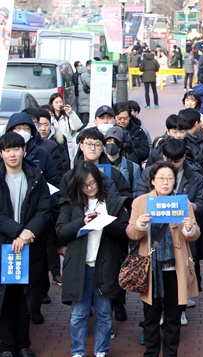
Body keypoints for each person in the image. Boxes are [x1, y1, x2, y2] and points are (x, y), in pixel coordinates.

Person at [55, 161, 129, 357]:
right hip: (80, 266)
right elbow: (60, 231)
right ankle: (78, 351)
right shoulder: (71, 203)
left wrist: (105, 223)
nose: (89, 188)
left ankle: (101, 350)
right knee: (78, 314)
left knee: (104, 312)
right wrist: (82, 222)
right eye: (84, 185)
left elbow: (125, 231)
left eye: (92, 183)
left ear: (99, 181)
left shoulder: (113, 202)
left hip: (105, 265)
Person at [127, 161, 200, 357]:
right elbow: (131, 233)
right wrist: (141, 225)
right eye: (161, 178)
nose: (166, 182)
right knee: (150, 316)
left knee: (173, 317)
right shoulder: (140, 202)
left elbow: (194, 235)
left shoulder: (183, 203)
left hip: (176, 269)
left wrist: (188, 228)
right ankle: (151, 353)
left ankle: (170, 353)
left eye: (170, 178)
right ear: (152, 181)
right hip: (151, 267)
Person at [0, 132, 51, 357]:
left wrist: (29, 233)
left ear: (24, 150)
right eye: (7, 150)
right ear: (1, 153)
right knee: (4, 297)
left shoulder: (36, 176)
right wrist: (19, 232)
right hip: (4, 246)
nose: (12, 154)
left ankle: (23, 344)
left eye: (16, 149)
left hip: (29, 246)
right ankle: (5, 346)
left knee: (25, 297)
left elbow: (44, 209)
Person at [104, 126, 142, 194]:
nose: (112, 144)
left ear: (123, 144)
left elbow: (136, 192)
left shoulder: (133, 167)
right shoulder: (98, 165)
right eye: (109, 141)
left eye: (115, 142)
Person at [49, 93, 84, 164]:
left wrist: (71, 113)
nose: (59, 104)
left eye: (60, 102)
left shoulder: (66, 116)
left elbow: (78, 126)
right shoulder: (50, 116)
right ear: (52, 104)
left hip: (67, 145)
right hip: (53, 144)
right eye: (56, 102)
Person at [77, 61, 92, 127]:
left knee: (83, 111)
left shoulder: (82, 73)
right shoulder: (85, 74)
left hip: (83, 95)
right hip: (86, 96)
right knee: (85, 112)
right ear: (89, 66)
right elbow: (90, 83)